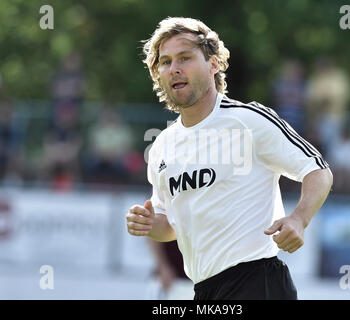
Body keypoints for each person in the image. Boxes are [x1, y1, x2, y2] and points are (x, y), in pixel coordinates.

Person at [126, 17, 333, 300]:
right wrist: (150, 225)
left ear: (213, 65)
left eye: (185, 58)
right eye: (165, 62)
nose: (174, 69)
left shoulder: (248, 121)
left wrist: (299, 218)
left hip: (257, 282)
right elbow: (170, 227)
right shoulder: (162, 145)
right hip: (204, 291)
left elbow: (317, 169)